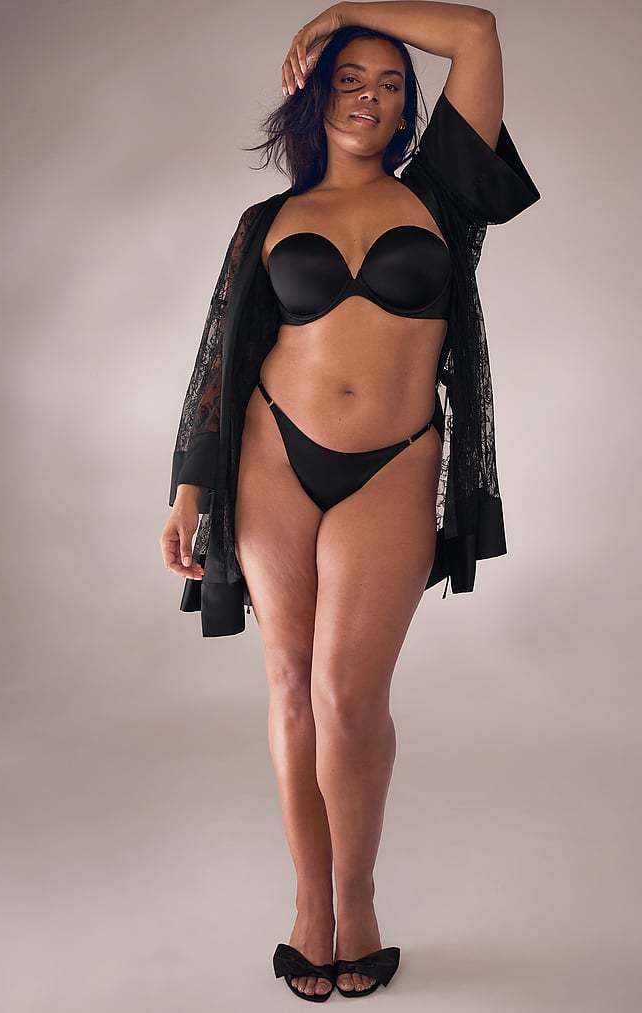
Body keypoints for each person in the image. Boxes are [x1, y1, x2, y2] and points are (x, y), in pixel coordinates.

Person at [160, 2, 540, 1001]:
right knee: (291, 686)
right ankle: (309, 903)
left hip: (395, 461)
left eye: (389, 83)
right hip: (270, 456)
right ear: (313, 97)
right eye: (349, 78)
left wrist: (346, 12)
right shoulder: (267, 222)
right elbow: (220, 357)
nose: (371, 95)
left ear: (408, 107)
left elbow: (477, 32)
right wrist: (189, 489)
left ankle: (358, 898)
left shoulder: (444, 194)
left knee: (346, 694)